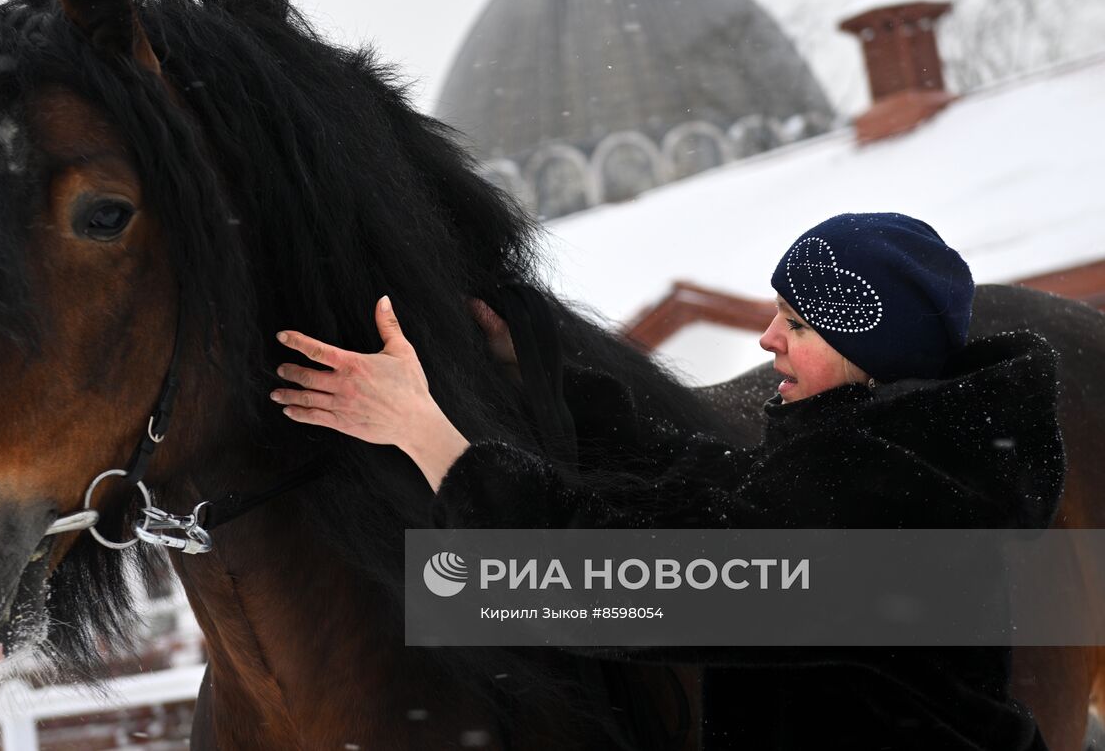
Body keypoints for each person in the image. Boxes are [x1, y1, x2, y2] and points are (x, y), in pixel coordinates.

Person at [271, 213, 1065, 751]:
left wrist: (422, 430)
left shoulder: (879, 509)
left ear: (875, 352)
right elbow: (701, 484)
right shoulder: (898, 461)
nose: (767, 339)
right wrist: (547, 370)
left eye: (796, 324)